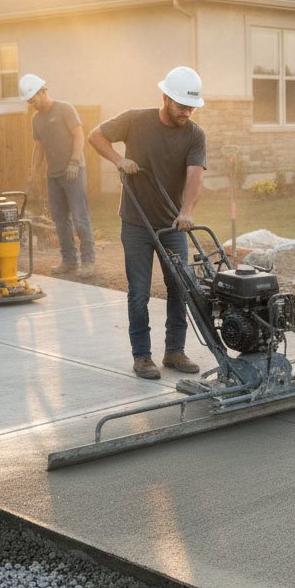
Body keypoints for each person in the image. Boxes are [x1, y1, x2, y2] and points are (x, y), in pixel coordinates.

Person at [88, 66, 207, 380]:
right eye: (181, 106)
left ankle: (175, 351)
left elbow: (195, 176)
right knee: (139, 292)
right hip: (136, 221)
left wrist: (186, 211)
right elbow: (95, 135)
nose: (187, 112)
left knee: (180, 286)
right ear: (165, 98)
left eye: (191, 107)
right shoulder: (135, 120)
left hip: (172, 224)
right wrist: (118, 160)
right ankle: (142, 356)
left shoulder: (195, 134)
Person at [20, 73, 96, 278]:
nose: (32, 103)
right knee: (60, 219)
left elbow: (79, 134)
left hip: (73, 171)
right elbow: (39, 146)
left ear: (42, 92)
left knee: (80, 217)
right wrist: (33, 171)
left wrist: (74, 162)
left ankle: (88, 261)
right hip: (53, 175)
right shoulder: (36, 119)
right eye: (29, 101)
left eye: (33, 99)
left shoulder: (64, 109)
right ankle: (69, 260)